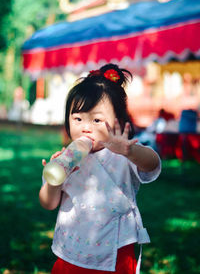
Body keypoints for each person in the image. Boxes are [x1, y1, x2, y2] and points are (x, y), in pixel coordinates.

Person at [39, 63, 161, 274]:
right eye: (77, 118)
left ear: (118, 123)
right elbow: (48, 203)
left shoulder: (122, 152)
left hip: (115, 252)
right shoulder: (65, 160)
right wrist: (53, 182)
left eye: (96, 120)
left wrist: (129, 152)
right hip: (72, 251)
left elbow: (153, 164)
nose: (86, 127)